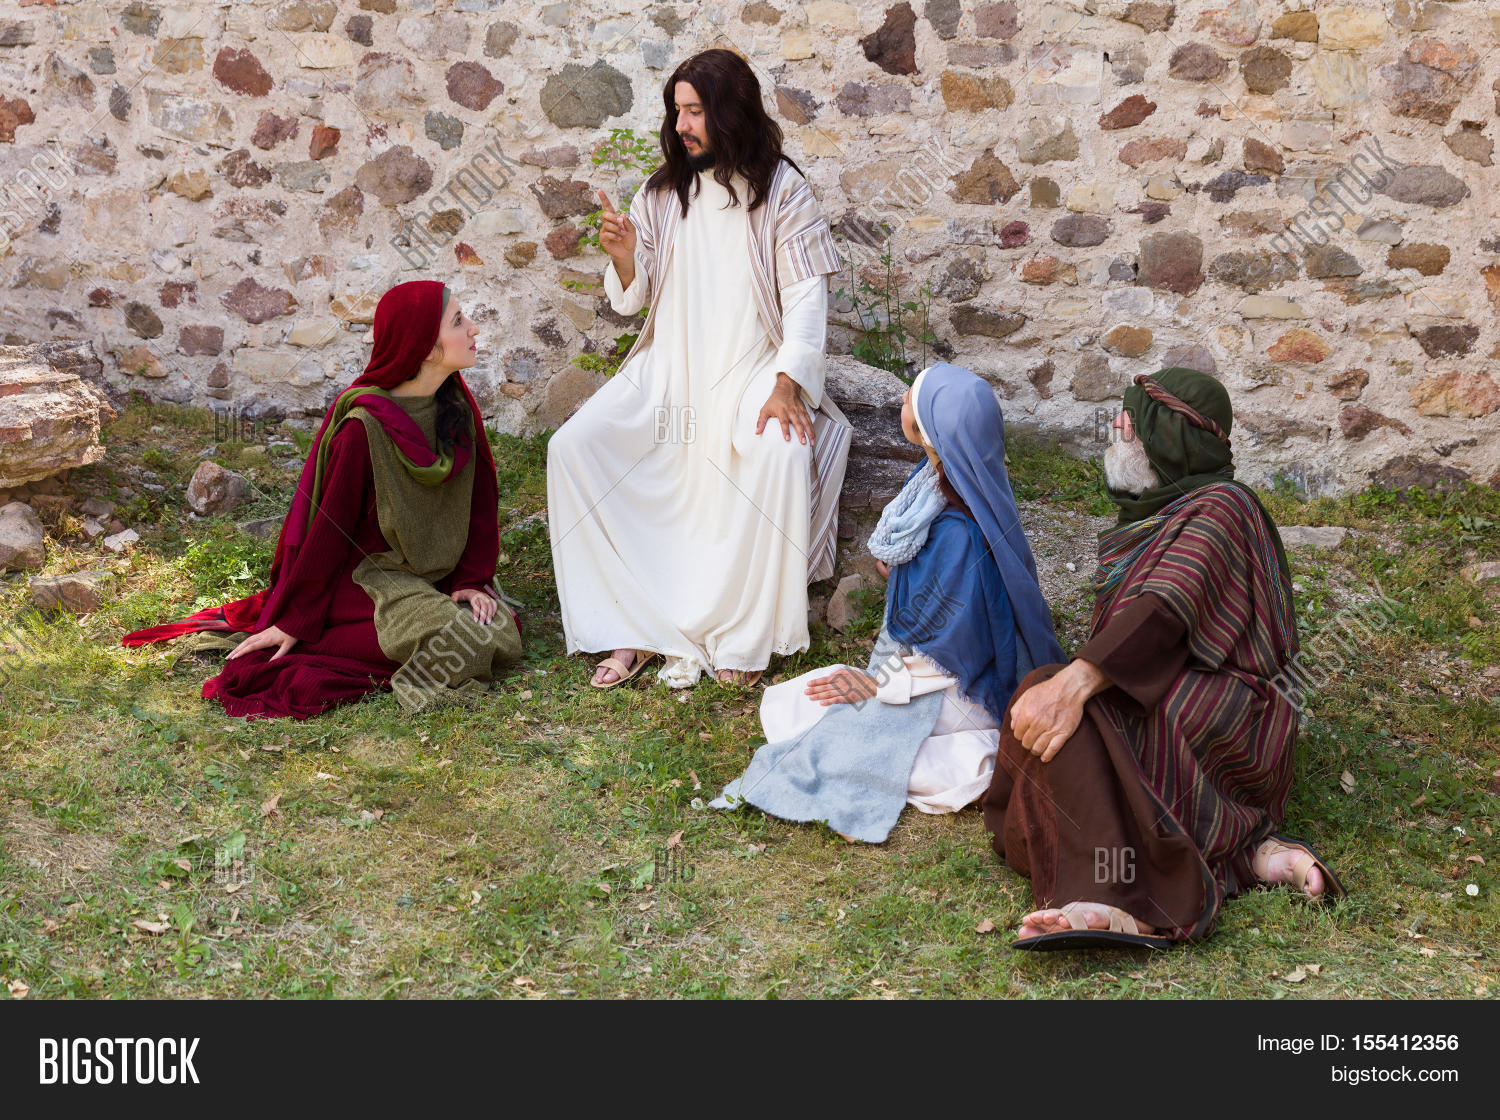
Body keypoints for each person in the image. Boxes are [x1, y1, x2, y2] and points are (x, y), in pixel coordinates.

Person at [983, 367, 1344, 951]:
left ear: (1168, 438)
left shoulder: (1224, 505)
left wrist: (1073, 685)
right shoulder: (1155, 516)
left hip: (1239, 707)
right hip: (1167, 685)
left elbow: (1165, 608)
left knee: (1067, 703)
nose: (1116, 429)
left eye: (1130, 421)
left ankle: (1121, 900)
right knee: (1054, 707)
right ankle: (1243, 854)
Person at [546, 48, 852, 691]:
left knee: (780, 453)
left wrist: (787, 381)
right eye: (677, 111)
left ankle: (743, 636)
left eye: (695, 111)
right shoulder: (660, 194)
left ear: (729, 113)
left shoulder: (783, 192)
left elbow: (805, 300)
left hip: (750, 373)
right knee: (575, 447)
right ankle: (630, 624)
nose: (682, 125)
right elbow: (631, 300)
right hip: (670, 372)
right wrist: (627, 257)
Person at [123, 280, 522, 719]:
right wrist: (296, 618)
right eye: (459, 321)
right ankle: (316, 640)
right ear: (425, 346)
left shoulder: (457, 410)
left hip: (435, 577)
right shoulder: (363, 428)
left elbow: (481, 504)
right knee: (460, 639)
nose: (475, 328)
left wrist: (470, 578)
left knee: (497, 625)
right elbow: (330, 531)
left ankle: (406, 631)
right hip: (369, 581)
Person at [712, 364, 1065, 842]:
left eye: (909, 401)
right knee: (799, 699)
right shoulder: (941, 479)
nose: (901, 397)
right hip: (924, 664)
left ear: (929, 431)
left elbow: (954, 652)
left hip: (959, 682)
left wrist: (877, 686)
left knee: (841, 731)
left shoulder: (959, 535)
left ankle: (973, 753)